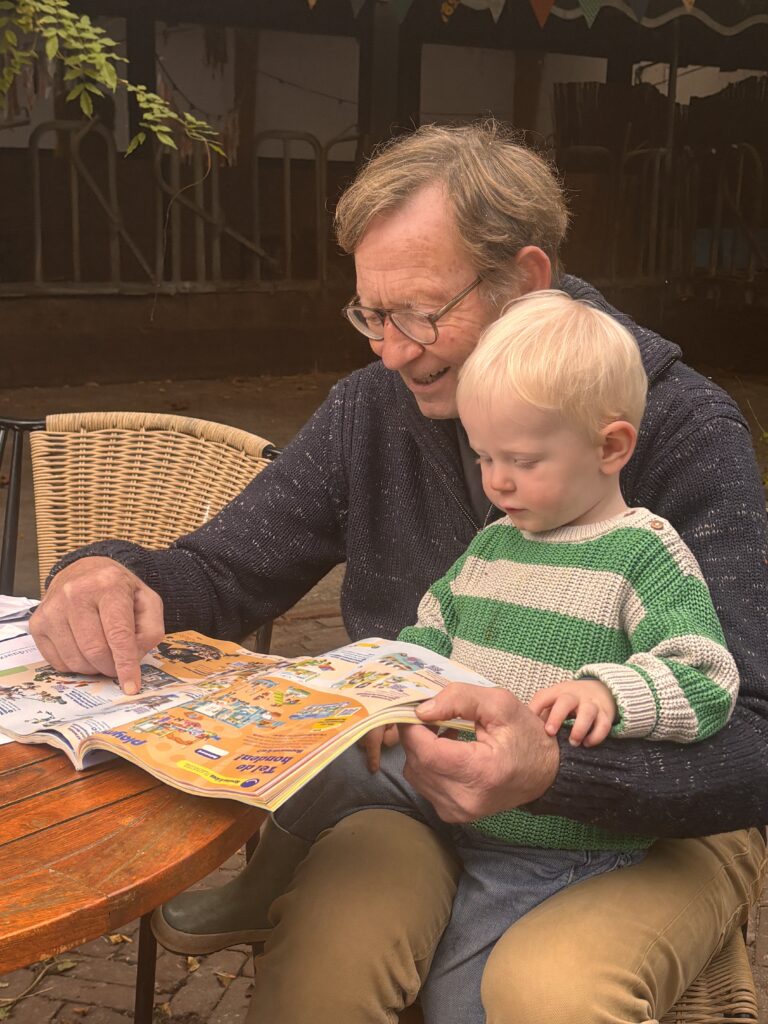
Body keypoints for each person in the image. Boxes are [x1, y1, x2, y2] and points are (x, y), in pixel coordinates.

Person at [29, 122, 768, 1024]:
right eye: (370, 316)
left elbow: (753, 738)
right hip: (429, 788)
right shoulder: (374, 409)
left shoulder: (681, 427)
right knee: (334, 953)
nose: (389, 350)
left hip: (645, 830)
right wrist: (108, 574)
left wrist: (552, 771)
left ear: (526, 281)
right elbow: (225, 569)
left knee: (550, 990)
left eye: (418, 314)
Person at [236, 290, 740, 1024]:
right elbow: (437, 621)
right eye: (484, 457)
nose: (496, 481)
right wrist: (390, 685)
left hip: (556, 848)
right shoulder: (498, 540)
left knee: (457, 999)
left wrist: (611, 691)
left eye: (522, 460)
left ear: (611, 447)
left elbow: (706, 673)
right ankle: (258, 886)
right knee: (329, 755)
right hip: (454, 796)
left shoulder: (643, 552)